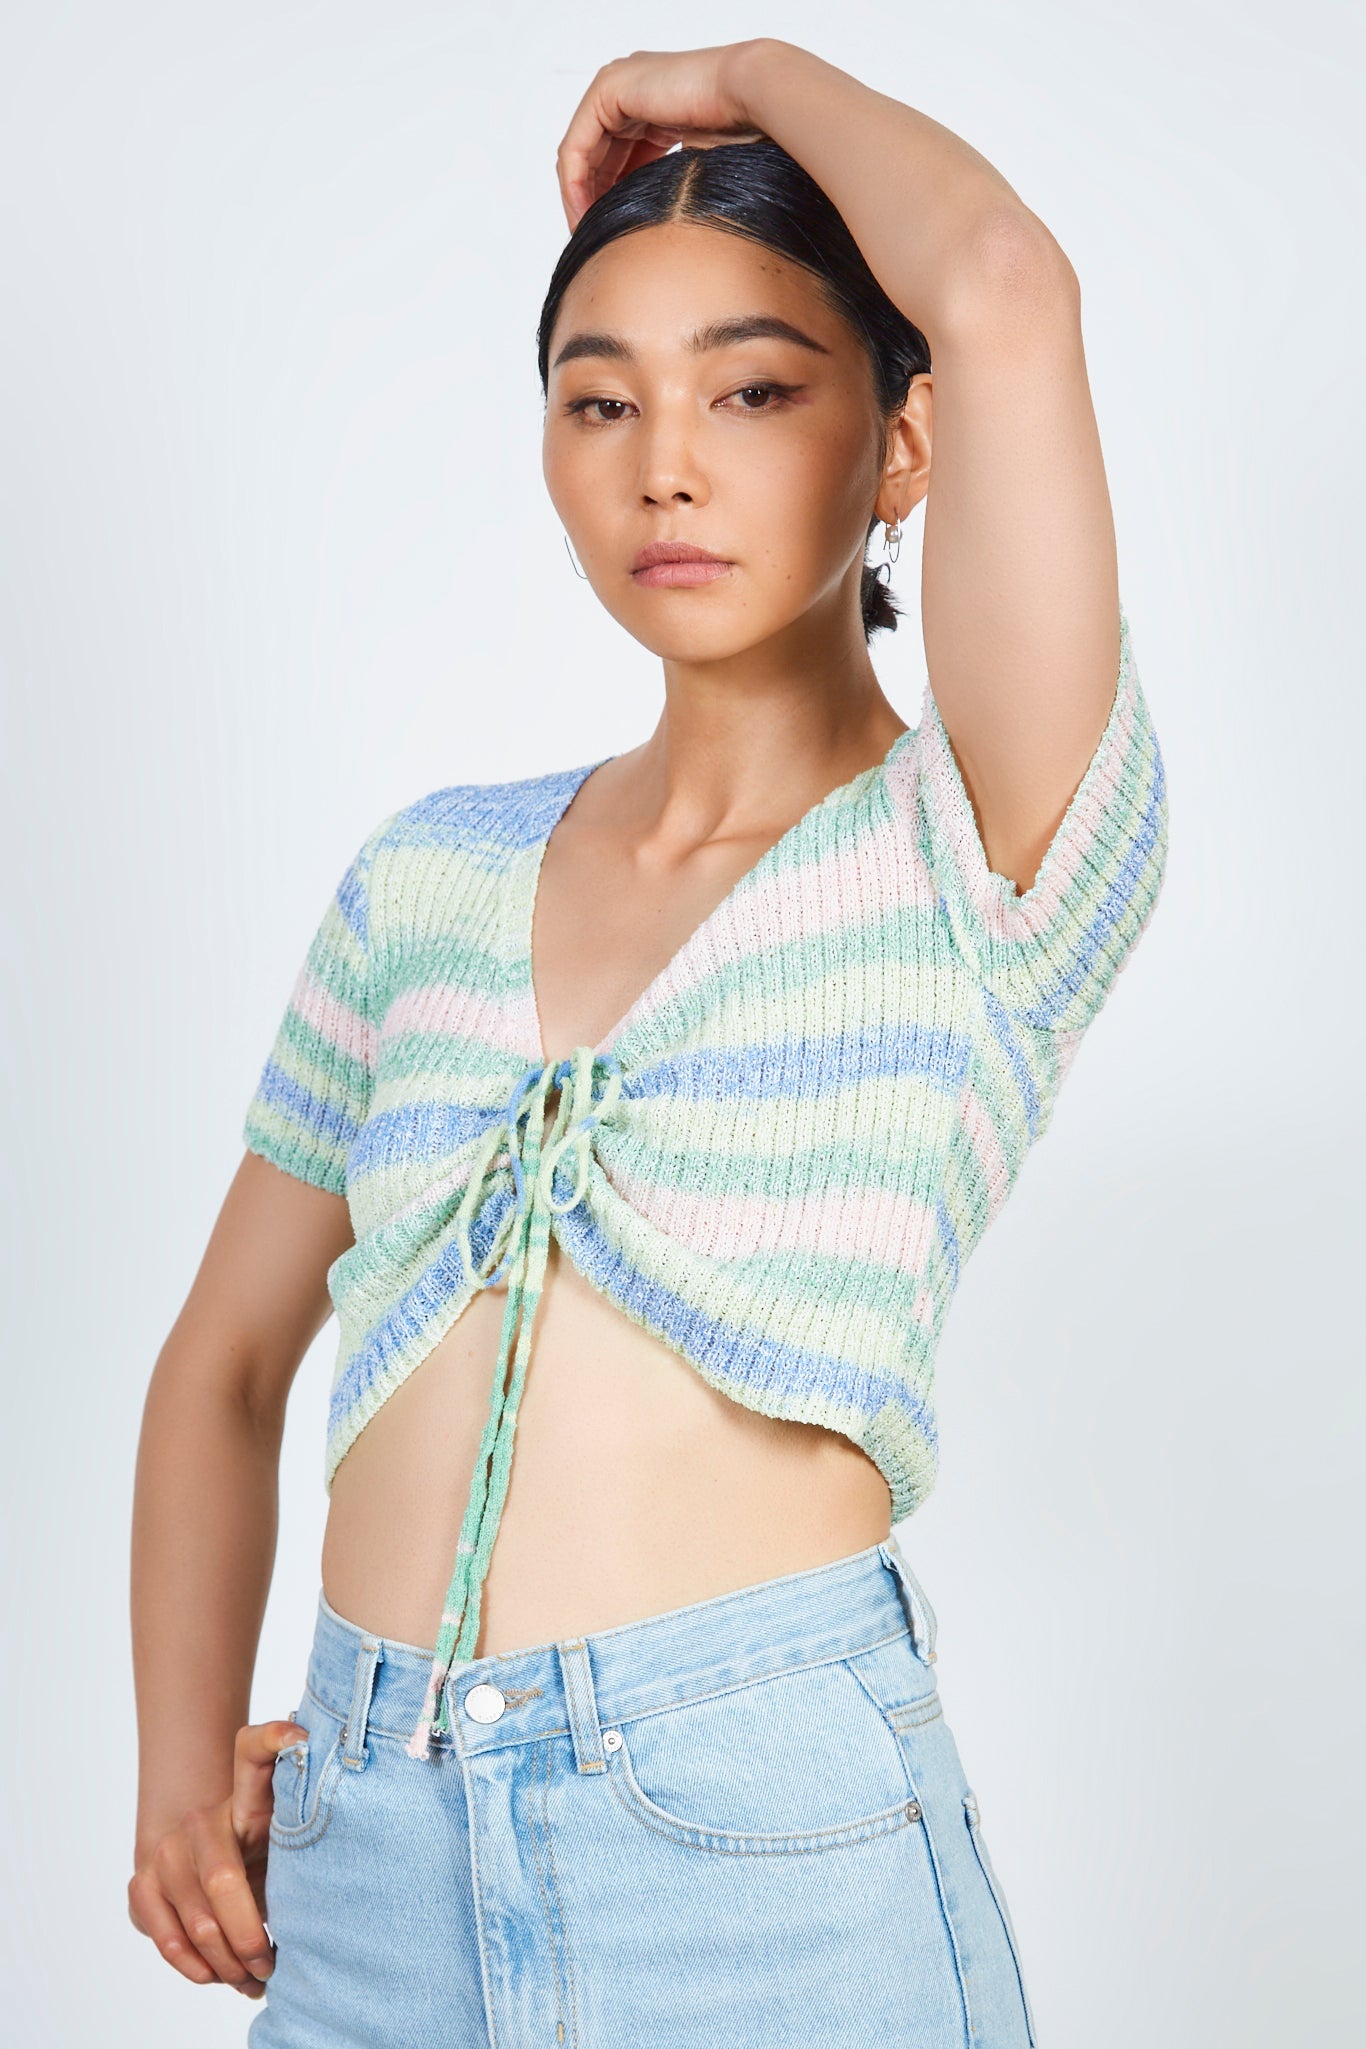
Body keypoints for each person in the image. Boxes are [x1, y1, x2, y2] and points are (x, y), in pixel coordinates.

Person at [128, 38, 1168, 2047]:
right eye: (598, 398)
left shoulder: (980, 853)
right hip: (366, 1861)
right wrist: (185, 1771)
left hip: (762, 1864)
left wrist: (743, 73)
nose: (663, 464)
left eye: (753, 389)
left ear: (903, 441)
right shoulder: (427, 878)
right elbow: (227, 1361)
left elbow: (999, 278)